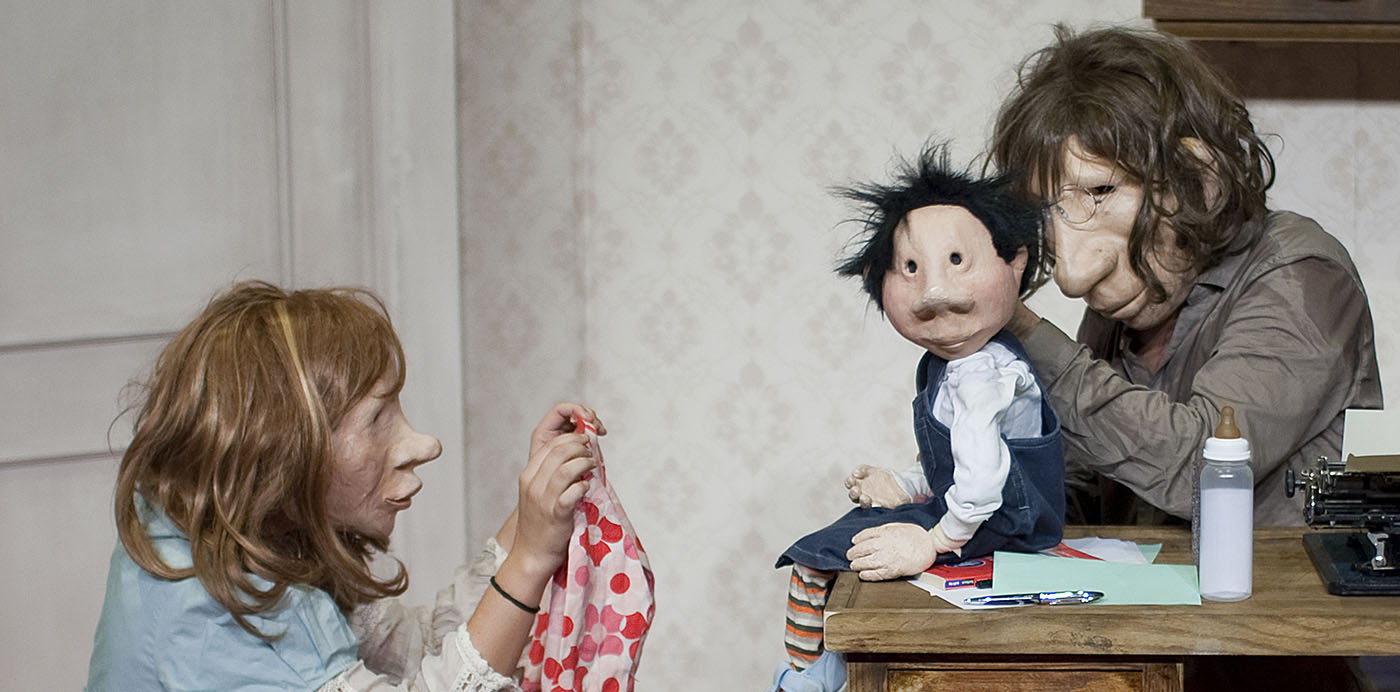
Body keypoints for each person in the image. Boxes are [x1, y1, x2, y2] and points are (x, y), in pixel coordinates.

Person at [85, 280, 604, 692]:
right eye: (378, 418)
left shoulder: (249, 537)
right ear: (280, 450)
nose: (424, 445)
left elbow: (415, 650)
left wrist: (530, 515)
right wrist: (528, 563)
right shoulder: (206, 616)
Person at [990, 25, 1383, 528]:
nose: (1073, 277)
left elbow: (1202, 468)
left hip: (1281, 582)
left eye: (1100, 191)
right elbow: (1095, 490)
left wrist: (1024, 328)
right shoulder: (1123, 306)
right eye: (1044, 212)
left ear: (1198, 178)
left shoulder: (1301, 272)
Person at [767, 144, 1065, 692]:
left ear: (1015, 262)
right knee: (846, 543)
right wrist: (904, 485)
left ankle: (810, 677)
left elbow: (982, 482)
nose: (934, 292)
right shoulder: (953, 367)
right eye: (910, 268)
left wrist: (932, 541)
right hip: (981, 518)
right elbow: (958, 462)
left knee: (821, 554)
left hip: (1005, 526)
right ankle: (823, 670)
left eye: (957, 261)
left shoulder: (983, 375)